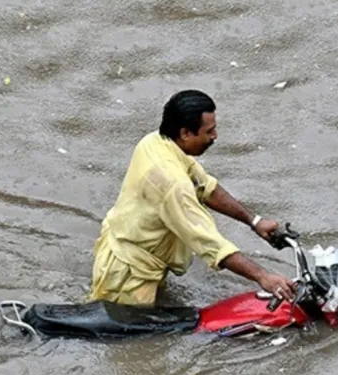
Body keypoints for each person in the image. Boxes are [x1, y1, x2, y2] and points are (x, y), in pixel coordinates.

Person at [90, 89, 298, 307]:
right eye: (209, 131)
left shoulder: (154, 141)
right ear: (186, 133)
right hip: (129, 275)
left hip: (127, 252)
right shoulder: (172, 184)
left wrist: (254, 222)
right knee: (134, 337)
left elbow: (205, 187)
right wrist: (263, 277)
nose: (215, 136)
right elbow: (209, 242)